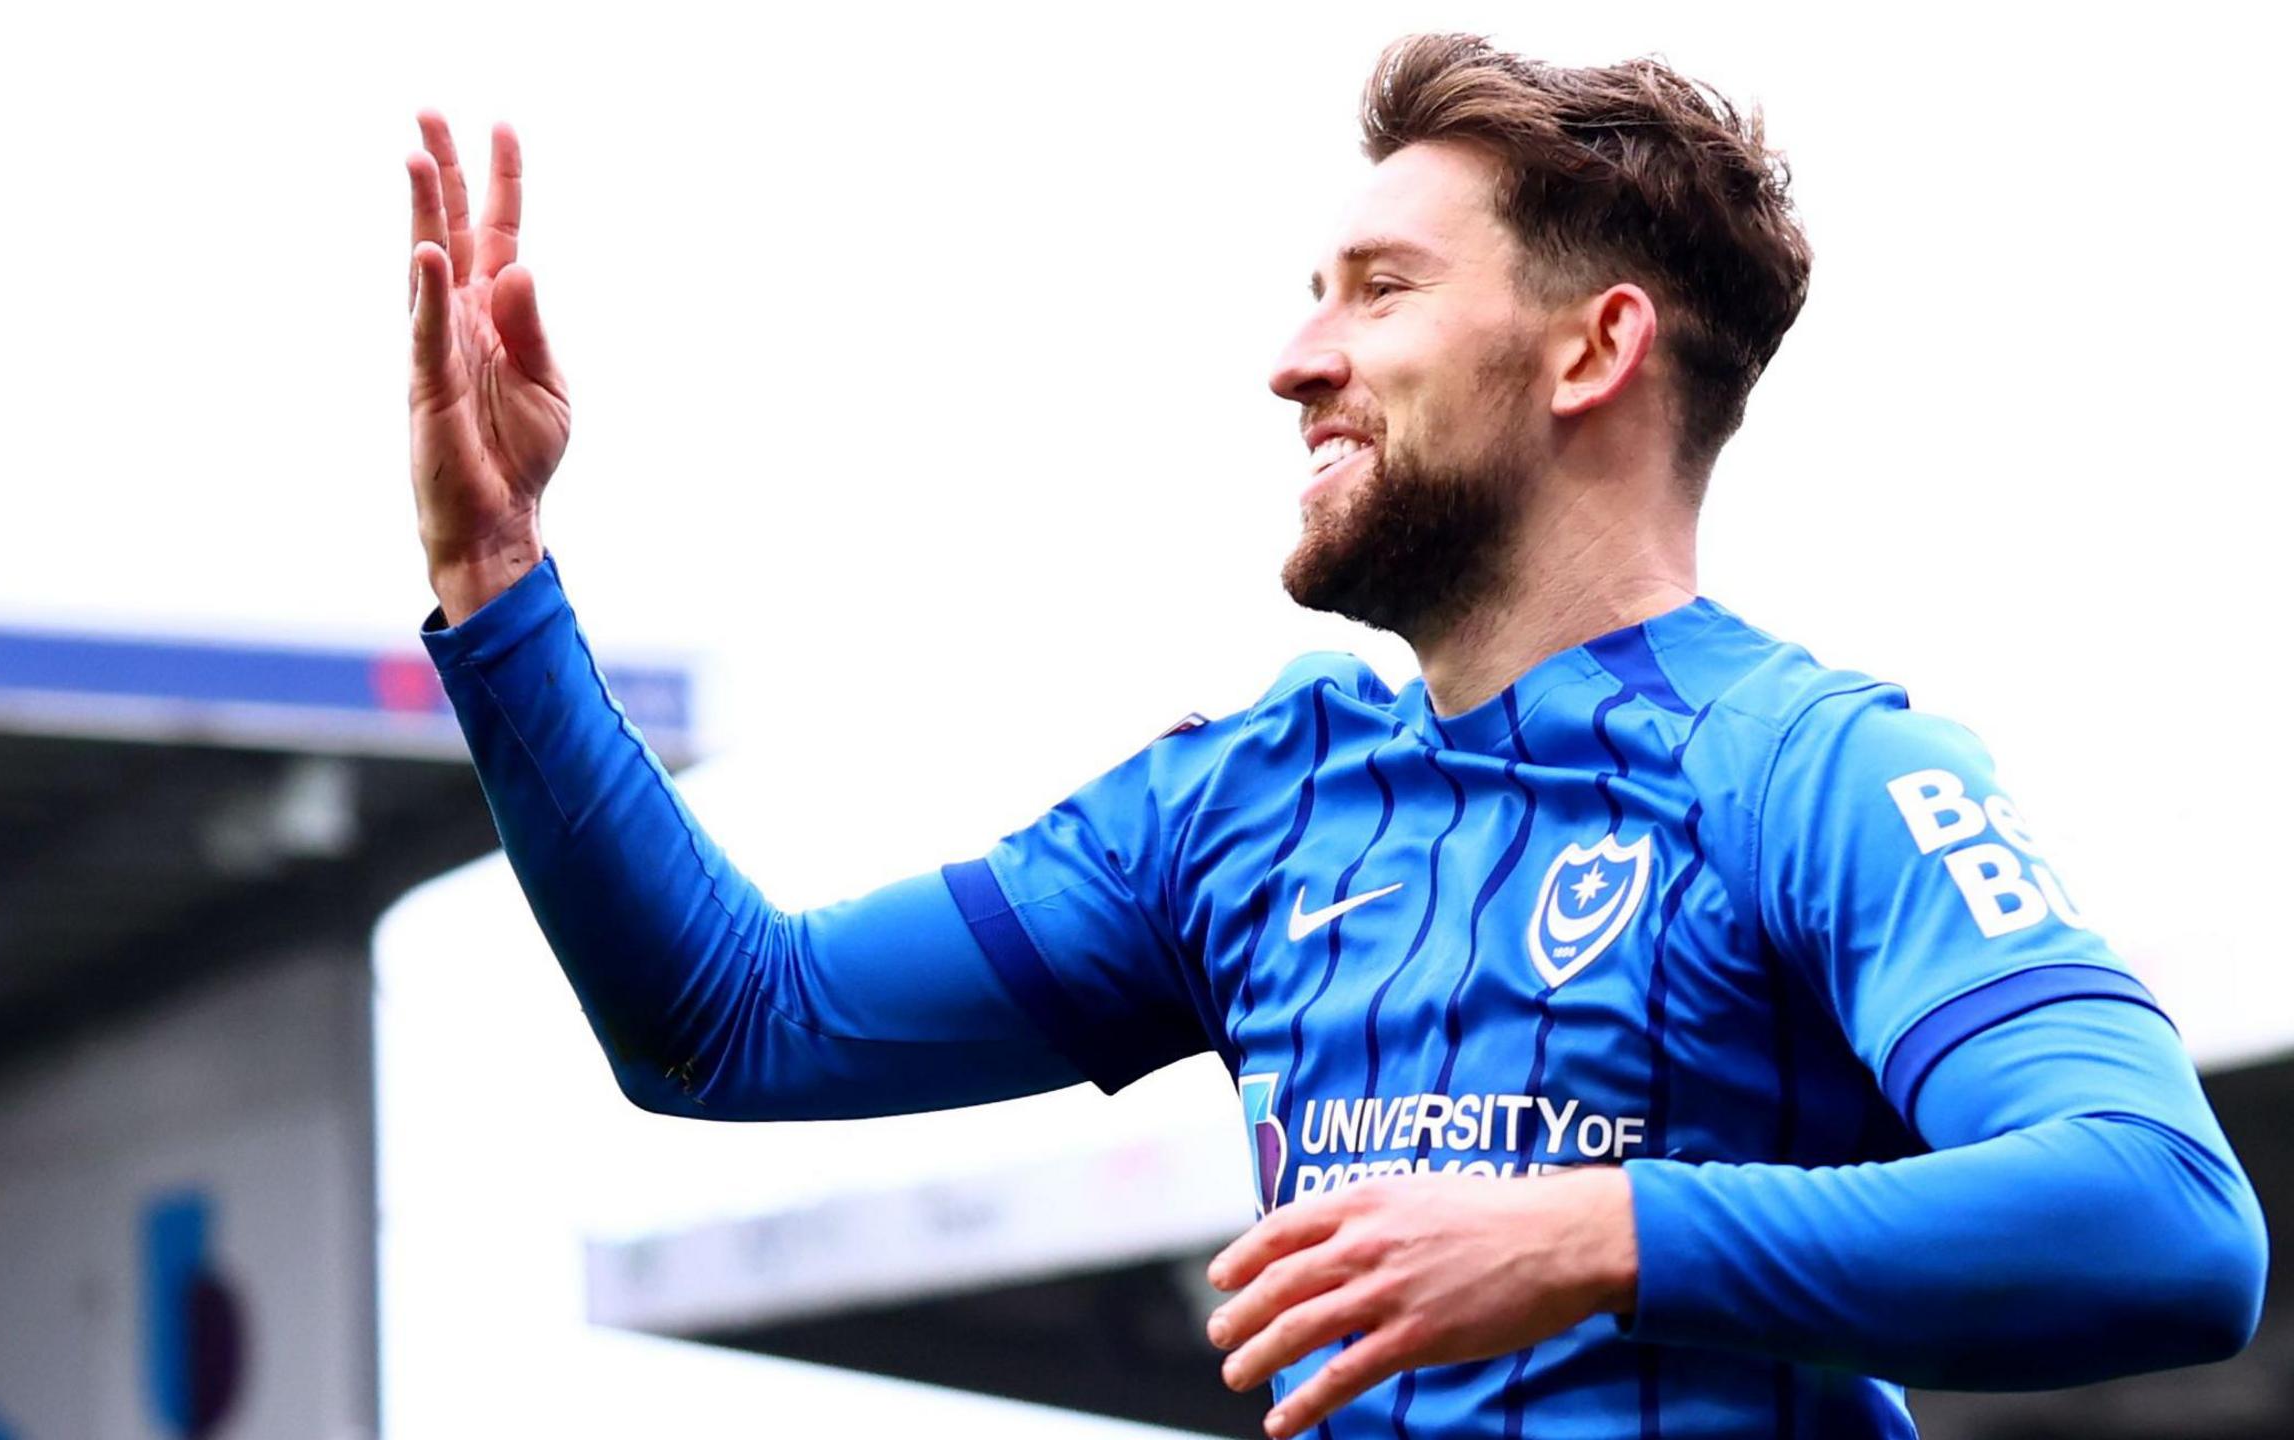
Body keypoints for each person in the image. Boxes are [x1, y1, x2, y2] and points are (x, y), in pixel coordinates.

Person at [400, 33, 2265, 1440]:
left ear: (1591, 353)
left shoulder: (1820, 773)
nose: (1297, 358)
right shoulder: (1253, 808)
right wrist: (499, 586)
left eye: (1380, 291)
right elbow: (731, 1024)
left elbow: (2168, 1222)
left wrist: (1594, 1235)